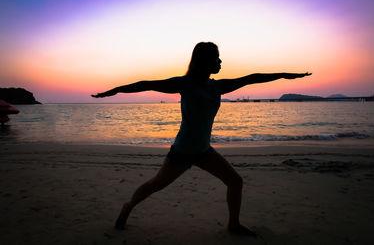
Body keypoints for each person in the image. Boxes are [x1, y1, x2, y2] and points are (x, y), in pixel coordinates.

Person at [92, 42, 311, 235]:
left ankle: (233, 225)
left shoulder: (218, 86)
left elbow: (252, 78)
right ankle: (128, 206)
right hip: (182, 152)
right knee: (156, 185)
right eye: (217, 57)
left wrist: (285, 75)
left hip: (204, 151)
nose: (221, 61)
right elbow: (146, 84)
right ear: (205, 60)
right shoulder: (184, 83)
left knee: (235, 181)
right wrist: (115, 91)